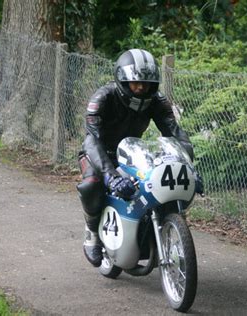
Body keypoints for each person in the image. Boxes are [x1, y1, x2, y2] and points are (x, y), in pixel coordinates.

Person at [76, 48, 202, 267]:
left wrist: (188, 167)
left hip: (133, 153)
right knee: (92, 183)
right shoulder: (102, 99)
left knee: (154, 183)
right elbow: (91, 141)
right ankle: (92, 232)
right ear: (122, 81)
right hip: (98, 154)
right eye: (136, 83)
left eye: (146, 83)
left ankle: (154, 233)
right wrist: (111, 175)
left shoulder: (157, 100)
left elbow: (174, 133)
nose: (142, 88)